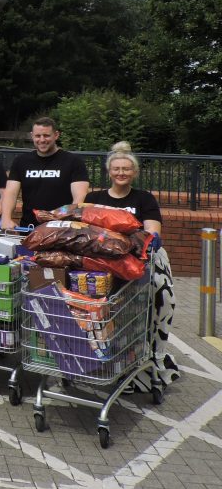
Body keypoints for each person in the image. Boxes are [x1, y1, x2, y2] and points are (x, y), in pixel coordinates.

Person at [85, 141, 179, 393]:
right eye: (116, 169)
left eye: (126, 169)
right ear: (109, 171)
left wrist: (150, 238)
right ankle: (106, 361)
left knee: (161, 299)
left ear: (134, 172)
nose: (121, 173)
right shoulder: (94, 199)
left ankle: (153, 358)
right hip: (104, 262)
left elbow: (152, 231)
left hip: (139, 260)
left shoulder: (143, 198)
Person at [0, 117, 89, 230]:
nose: (42, 140)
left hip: (62, 229)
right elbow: (11, 193)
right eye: (38, 136)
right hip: (29, 228)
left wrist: (69, 221)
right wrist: (6, 218)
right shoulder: (21, 161)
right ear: (32, 136)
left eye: (46, 135)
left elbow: (80, 197)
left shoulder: (73, 162)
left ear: (56, 135)